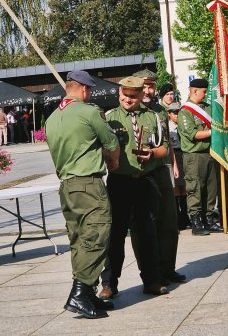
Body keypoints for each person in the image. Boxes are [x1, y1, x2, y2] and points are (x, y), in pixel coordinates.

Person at [45, 70, 120, 319]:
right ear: (84, 89)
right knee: (97, 235)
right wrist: (115, 162)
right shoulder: (89, 112)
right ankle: (79, 293)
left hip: (67, 186)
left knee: (79, 240)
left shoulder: (52, 118)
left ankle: (88, 293)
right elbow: (111, 144)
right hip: (89, 184)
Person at [99, 76, 170, 299]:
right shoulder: (109, 118)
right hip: (119, 182)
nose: (128, 100)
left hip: (146, 181)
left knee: (148, 234)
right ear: (119, 93)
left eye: (132, 96)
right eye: (124, 96)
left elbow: (165, 147)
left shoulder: (154, 117)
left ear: (141, 95)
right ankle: (109, 284)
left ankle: (152, 281)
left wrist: (153, 154)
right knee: (115, 235)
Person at [131, 69, 184, 285]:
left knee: (169, 222)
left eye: (150, 86)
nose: (147, 90)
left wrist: (173, 164)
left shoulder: (160, 111)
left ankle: (167, 267)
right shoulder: (132, 109)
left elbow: (167, 142)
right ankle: (150, 272)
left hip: (162, 169)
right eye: (143, 86)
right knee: (144, 226)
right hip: (142, 173)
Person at [177, 78, 221, 235]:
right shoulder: (185, 111)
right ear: (195, 91)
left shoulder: (208, 108)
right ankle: (196, 222)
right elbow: (193, 134)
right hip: (194, 155)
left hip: (210, 153)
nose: (206, 94)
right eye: (204, 92)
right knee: (195, 189)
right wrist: (213, 132)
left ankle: (208, 219)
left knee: (211, 188)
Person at [167, 102, 191, 230]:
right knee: (176, 187)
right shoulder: (169, 127)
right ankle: (177, 218)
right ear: (169, 114)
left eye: (178, 112)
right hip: (174, 155)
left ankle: (185, 217)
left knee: (184, 187)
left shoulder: (183, 125)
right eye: (174, 113)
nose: (176, 115)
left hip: (184, 154)